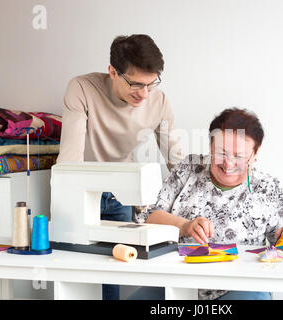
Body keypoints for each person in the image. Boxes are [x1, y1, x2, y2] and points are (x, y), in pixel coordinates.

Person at [132, 107, 283, 300]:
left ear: (255, 155)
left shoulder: (267, 188)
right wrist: (184, 225)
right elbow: (147, 217)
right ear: (210, 147)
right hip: (176, 281)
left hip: (239, 288)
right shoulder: (189, 168)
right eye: (221, 153)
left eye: (239, 156)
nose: (229, 163)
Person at [56, 34, 183, 299]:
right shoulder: (82, 89)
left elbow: (176, 160)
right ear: (112, 72)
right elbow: (69, 161)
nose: (145, 94)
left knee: (113, 274)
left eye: (151, 84)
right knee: (74, 272)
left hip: (120, 196)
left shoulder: (157, 102)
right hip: (79, 192)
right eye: (136, 84)